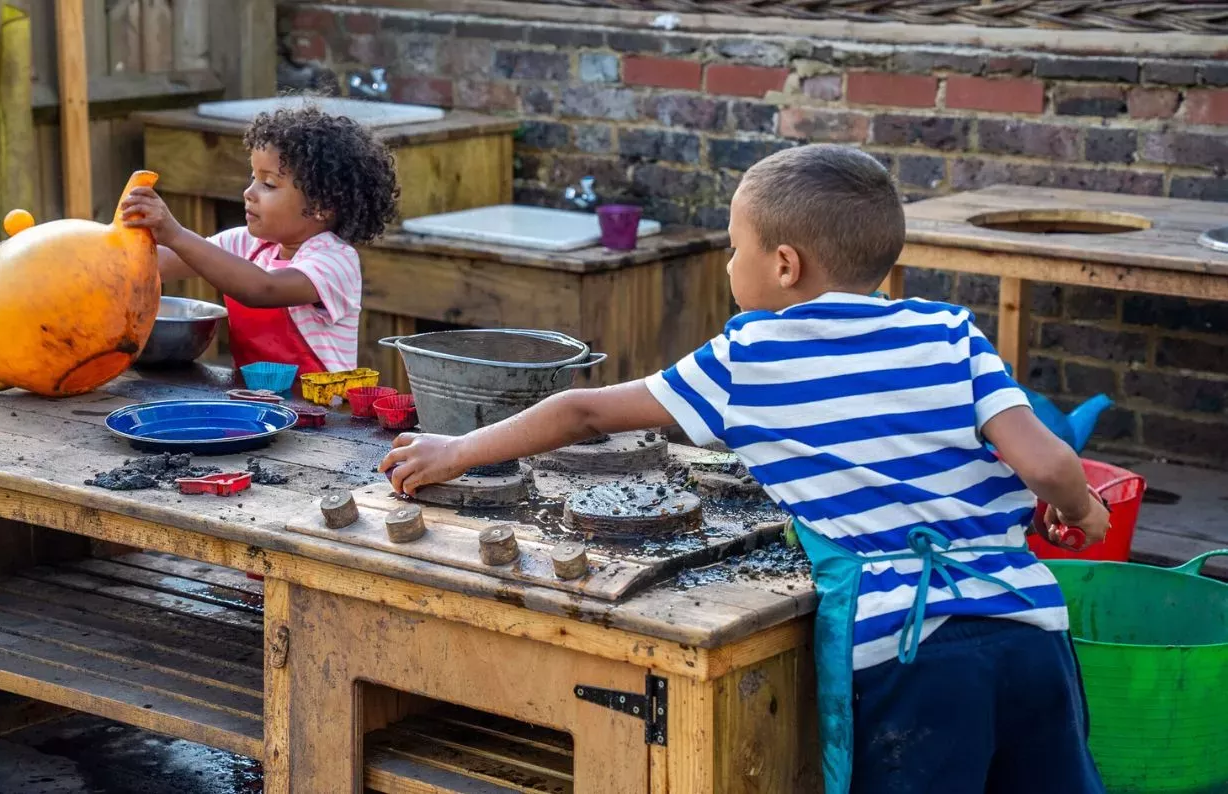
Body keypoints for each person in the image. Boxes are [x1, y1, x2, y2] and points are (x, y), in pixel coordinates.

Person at [380, 144, 1110, 794]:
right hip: (1029, 623)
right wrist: (1082, 512)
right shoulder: (948, 329)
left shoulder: (749, 356)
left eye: (735, 248)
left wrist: (455, 449)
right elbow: (1047, 463)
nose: (730, 265)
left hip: (907, 650)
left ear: (784, 264)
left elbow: (585, 412)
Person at [120, 106, 399, 374]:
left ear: (321, 206)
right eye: (253, 178)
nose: (248, 192)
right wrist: (113, 248)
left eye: (268, 184)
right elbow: (156, 264)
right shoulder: (246, 244)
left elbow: (262, 289)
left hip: (324, 415)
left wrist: (176, 234)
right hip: (256, 404)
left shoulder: (335, 261)